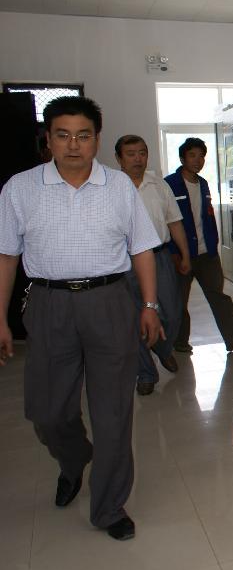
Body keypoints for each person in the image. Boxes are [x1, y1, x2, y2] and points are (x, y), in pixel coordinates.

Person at [0, 96, 164, 541]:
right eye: (63, 135)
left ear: (97, 139)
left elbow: (142, 249)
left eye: (83, 135)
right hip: (49, 304)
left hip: (110, 302)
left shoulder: (118, 186)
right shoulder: (20, 188)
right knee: (47, 412)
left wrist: (149, 306)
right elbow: (7, 257)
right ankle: (74, 459)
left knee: (113, 412)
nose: (73, 145)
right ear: (48, 139)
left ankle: (109, 506)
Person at [116, 134, 192, 395]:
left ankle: (162, 347)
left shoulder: (159, 186)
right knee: (132, 318)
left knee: (172, 312)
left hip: (159, 256)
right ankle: (146, 373)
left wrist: (185, 254)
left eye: (142, 153)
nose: (138, 159)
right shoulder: (112, 188)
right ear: (119, 158)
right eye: (131, 154)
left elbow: (174, 222)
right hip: (124, 260)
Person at [164, 137, 233, 354]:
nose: (197, 160)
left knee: (219, 296)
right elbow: (166, 222)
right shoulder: (169, 184)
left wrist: (214, 244)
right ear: (182, 158)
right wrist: (174, 253)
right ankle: (180, 342)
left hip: (207, 254)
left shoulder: (203, 183)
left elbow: (207, 217)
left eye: (201, 156)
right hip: (181, 255)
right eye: (192, 155)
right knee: (179, 302)